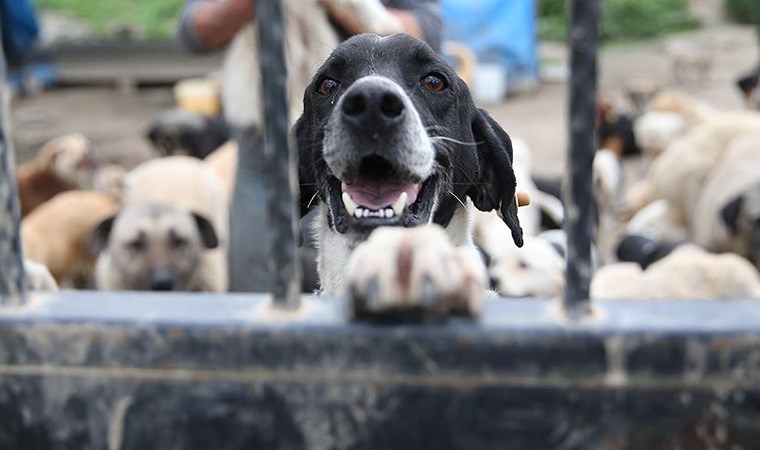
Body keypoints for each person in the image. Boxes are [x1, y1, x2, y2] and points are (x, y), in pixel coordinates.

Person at [177, 0, 442, 293]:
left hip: (366, 148)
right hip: (262, 148)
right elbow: (195, 32)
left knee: (365, 287)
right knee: (256, 288)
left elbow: (425, 32)